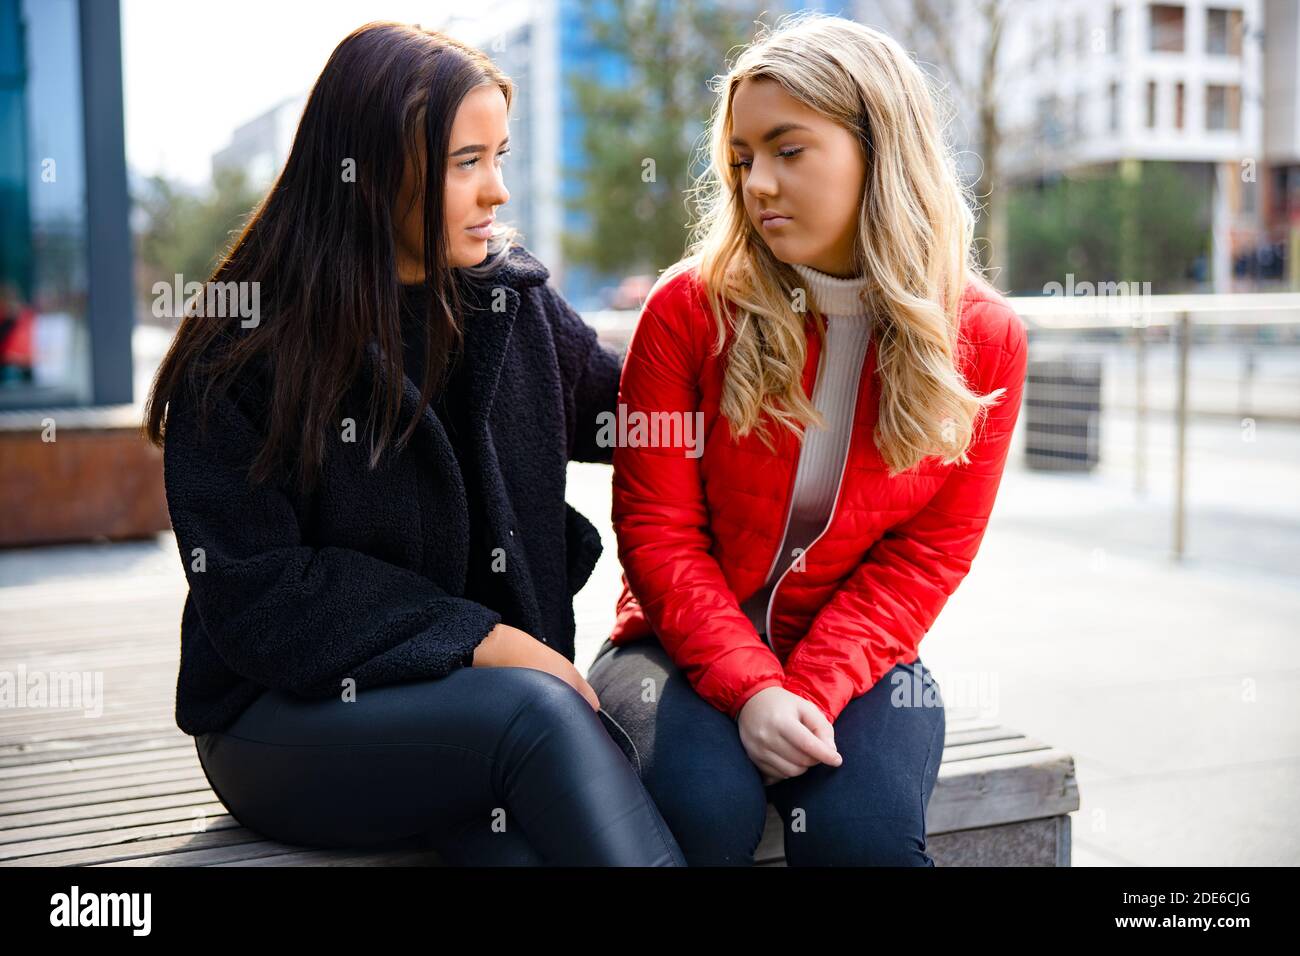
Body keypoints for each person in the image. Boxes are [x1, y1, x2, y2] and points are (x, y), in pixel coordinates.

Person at [142, 21, 684, 867]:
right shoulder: (246, 348)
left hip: (472, 715)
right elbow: (259, 595)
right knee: (536, 715)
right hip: (282, 722)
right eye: (467, 162)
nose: (498, 192)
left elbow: (634, 416)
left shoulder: (510, 304)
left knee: (520, 850)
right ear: (369, 166)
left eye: (500, 156)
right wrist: (482, 638)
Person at [587, 13, 1029, 866]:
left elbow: (928, 558)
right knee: (704, 807)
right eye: (744, 158)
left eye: (789, 151)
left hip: (857, 659)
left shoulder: (985, 339)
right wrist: (751, 687)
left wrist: (812, 691)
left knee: (860, 838)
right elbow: (656, 531)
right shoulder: (684, 311)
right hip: (671, 647)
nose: (757, 184)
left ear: (879, 150)